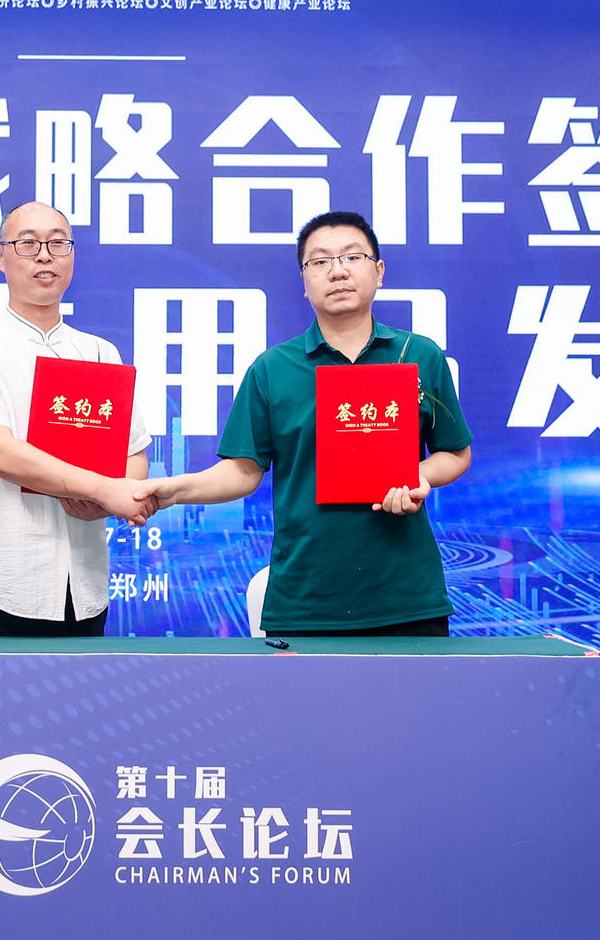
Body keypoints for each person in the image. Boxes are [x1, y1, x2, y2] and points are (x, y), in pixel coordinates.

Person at [138, 212, 472, 635]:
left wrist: (418, 476)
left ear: (379, 271)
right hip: (305, 598)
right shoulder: (273, 369)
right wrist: (174, 490)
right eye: (320, 261)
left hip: (407, 596)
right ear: (304, 280)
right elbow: (243, 471)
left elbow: (455, 453)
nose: (338, 271)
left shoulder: (420, 355)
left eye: (352, 256)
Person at [0, 203, 154, 636]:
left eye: (58, 243)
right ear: (1, 256)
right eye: (28, 243)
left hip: (81, 587)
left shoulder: (99, 353)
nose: (45, 255)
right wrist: (100, 489)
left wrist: (104, 500)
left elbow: (133, 457)